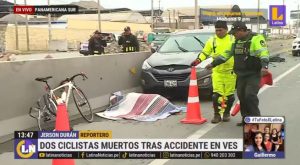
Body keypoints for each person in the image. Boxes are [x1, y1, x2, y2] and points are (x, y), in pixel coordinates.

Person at [205, 21, 270, 126]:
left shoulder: (256, 39)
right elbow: (225, 55)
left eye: (235, 33)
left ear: (241, 30)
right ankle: (246, 120)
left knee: (250, 95)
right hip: (240, 75)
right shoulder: (235, 42)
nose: (233, 35)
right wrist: (213, 64)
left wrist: (265, 66)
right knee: (242, 96)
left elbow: (264, 53)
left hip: (253, 74)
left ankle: (256, 120)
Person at [191, 20, 236, 123]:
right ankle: (217, 114)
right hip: (217, 72)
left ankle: (226, 113)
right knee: (216, 95)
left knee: (230, 96)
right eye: (216, 30)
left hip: (231, 72)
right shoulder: (212, 40)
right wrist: (198, 60)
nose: (218, 32)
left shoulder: (232, 39)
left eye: (220, 30)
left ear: (226, 30)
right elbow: (205, 52)